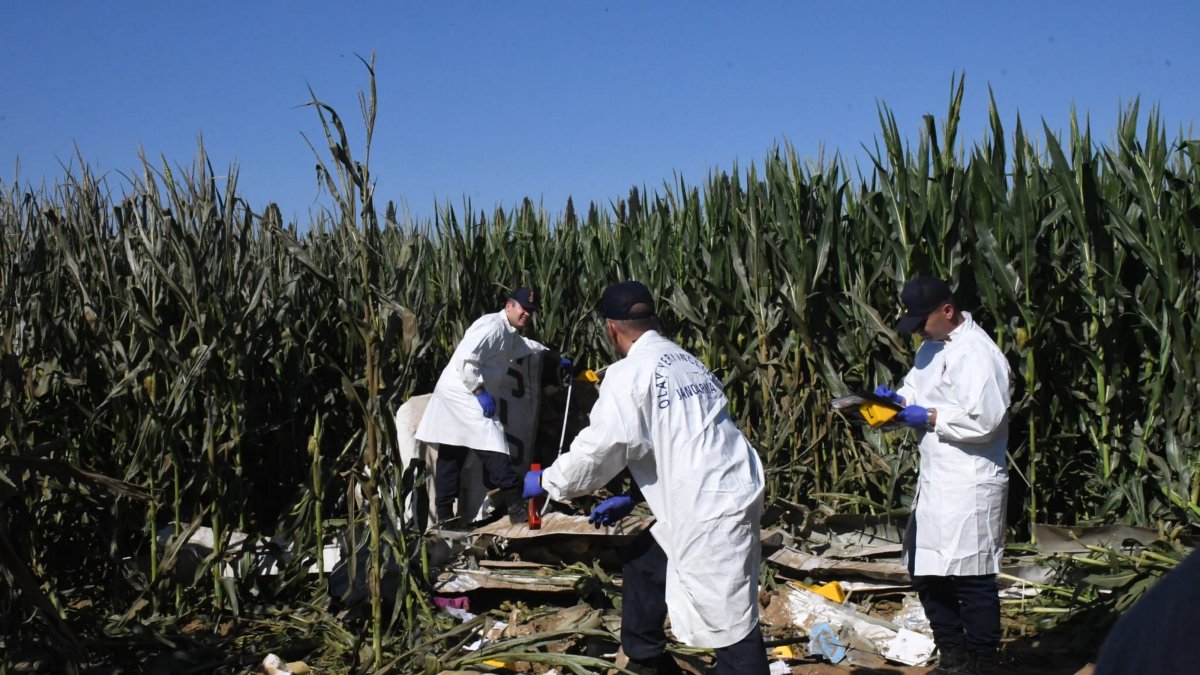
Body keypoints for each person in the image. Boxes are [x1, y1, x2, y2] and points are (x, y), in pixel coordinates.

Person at [522, 281, 769, 675]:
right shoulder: (686, 360)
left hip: (707, 505)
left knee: (731, 623)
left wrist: (549, 481)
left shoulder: (628, 373)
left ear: (611, 329)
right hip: (728, 484)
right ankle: (646, 657)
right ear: (653, 318)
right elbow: (681, 440)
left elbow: (601, 448)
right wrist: (635, 497)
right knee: (646, 561)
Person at [875, 276, 1011, 675]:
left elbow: (986, 419)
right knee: (927, 574)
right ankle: (954, 655)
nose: (918, 330)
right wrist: (895, 403)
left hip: (970, 481)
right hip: (935, 481)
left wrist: (932, 417)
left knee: (973, 578)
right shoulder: (930, 348)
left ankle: (984, 661)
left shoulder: (979, 354)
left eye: (922, 321)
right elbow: (915, 389)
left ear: (947, 311)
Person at [415, 287, 566, 528]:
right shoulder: (492, 327)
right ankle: (516, 506)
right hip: (463, 394)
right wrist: (480, 392)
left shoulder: (509, 332)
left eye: (530, 311)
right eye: (523, 308)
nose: (527, 314)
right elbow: (467, 360)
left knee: (452, 454)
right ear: (509, 306)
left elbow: (522, 346)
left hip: (464, 394)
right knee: (494, 445)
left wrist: (552, 356)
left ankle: (445, 517)